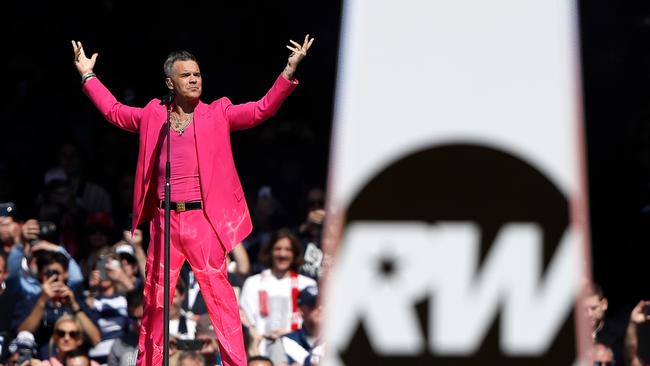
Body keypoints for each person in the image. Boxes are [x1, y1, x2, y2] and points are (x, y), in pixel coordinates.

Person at [71, 34, 313, 366]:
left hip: (203, 221)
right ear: (170, 82)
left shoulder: (218, 112)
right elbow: (114, 111)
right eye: (187, 75)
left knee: (221, 301)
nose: (195, 79)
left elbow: (261, 110)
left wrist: (288, 72)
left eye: (198, 74)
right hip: (165, 221)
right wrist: (88, 75)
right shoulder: (153, 116)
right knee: (156, 300)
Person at [239, 229, 316, 358]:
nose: (282, 254)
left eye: (288, 249)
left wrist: (288, 333)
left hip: (297, 354)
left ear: (294, 253)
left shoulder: (307, 285)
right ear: (270, 252)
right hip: (261, 353)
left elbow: (315, 322)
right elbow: (245, 320)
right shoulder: (253, 283)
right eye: (278, 249)